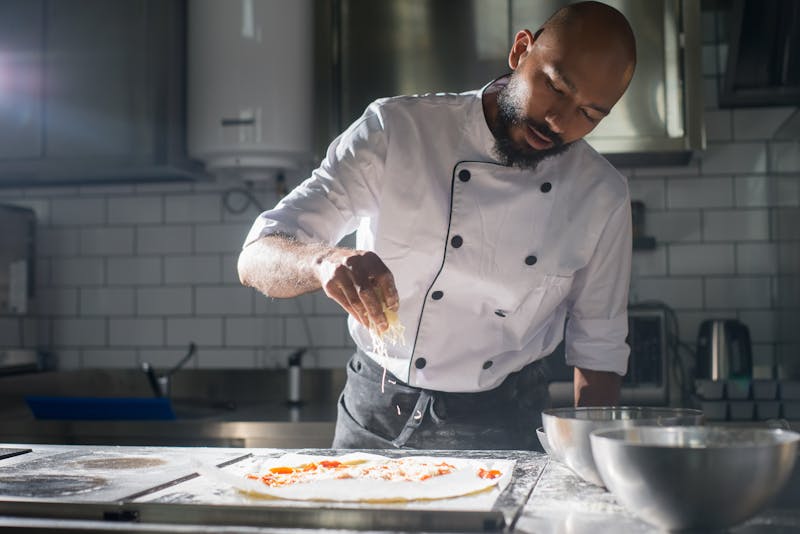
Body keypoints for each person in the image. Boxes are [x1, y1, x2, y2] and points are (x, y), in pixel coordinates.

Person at [238, 1, 637, 450]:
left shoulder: (601, 195)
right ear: (520, 50)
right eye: (556, 89)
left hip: (506, 420)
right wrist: (322, 263)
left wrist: (593, 462)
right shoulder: (397, 131)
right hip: (376, 410)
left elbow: (599, 345)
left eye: (589, 114)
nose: (559, 121)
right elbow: (257, 255)